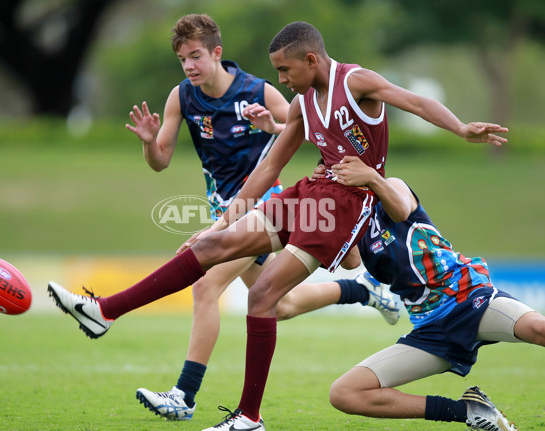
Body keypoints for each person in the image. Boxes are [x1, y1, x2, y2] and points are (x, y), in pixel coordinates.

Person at [47, 21, 507, 431]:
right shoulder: (305, 103)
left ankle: (248, 417)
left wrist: (461, 128)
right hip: (311, 192)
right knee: (210, 249)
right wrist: (222, 223)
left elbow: (417, 102)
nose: (281, 81)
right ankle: (104, 311)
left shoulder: (356, 81)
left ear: (311, 59)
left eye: (285, 71)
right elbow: (267, 171)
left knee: (263, 295)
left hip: (346, 206)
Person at [78, 13, 402, 423]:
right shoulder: (182, 97)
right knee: (276, 305)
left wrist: (274, 125)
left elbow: (305, 124)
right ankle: (363, 293)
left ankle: (184, 393)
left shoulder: (262, 89)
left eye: (196, 56)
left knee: (206, 284)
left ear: (216, 53)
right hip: (225, 206)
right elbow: (160, 161)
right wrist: (148, 144)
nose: (189, 66)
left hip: (261, 201)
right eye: (183, 59)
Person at [297, 156, 544, 431]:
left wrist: (371, 177)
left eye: (341, 171)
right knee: (345, 393)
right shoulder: (352, 225)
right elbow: (350, 261)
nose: (338, 178)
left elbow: (401, 210)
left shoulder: (391, 187)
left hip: (467, 297)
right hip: (430, 327)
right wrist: (322, 201)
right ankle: (470, 411)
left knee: (538, 328)